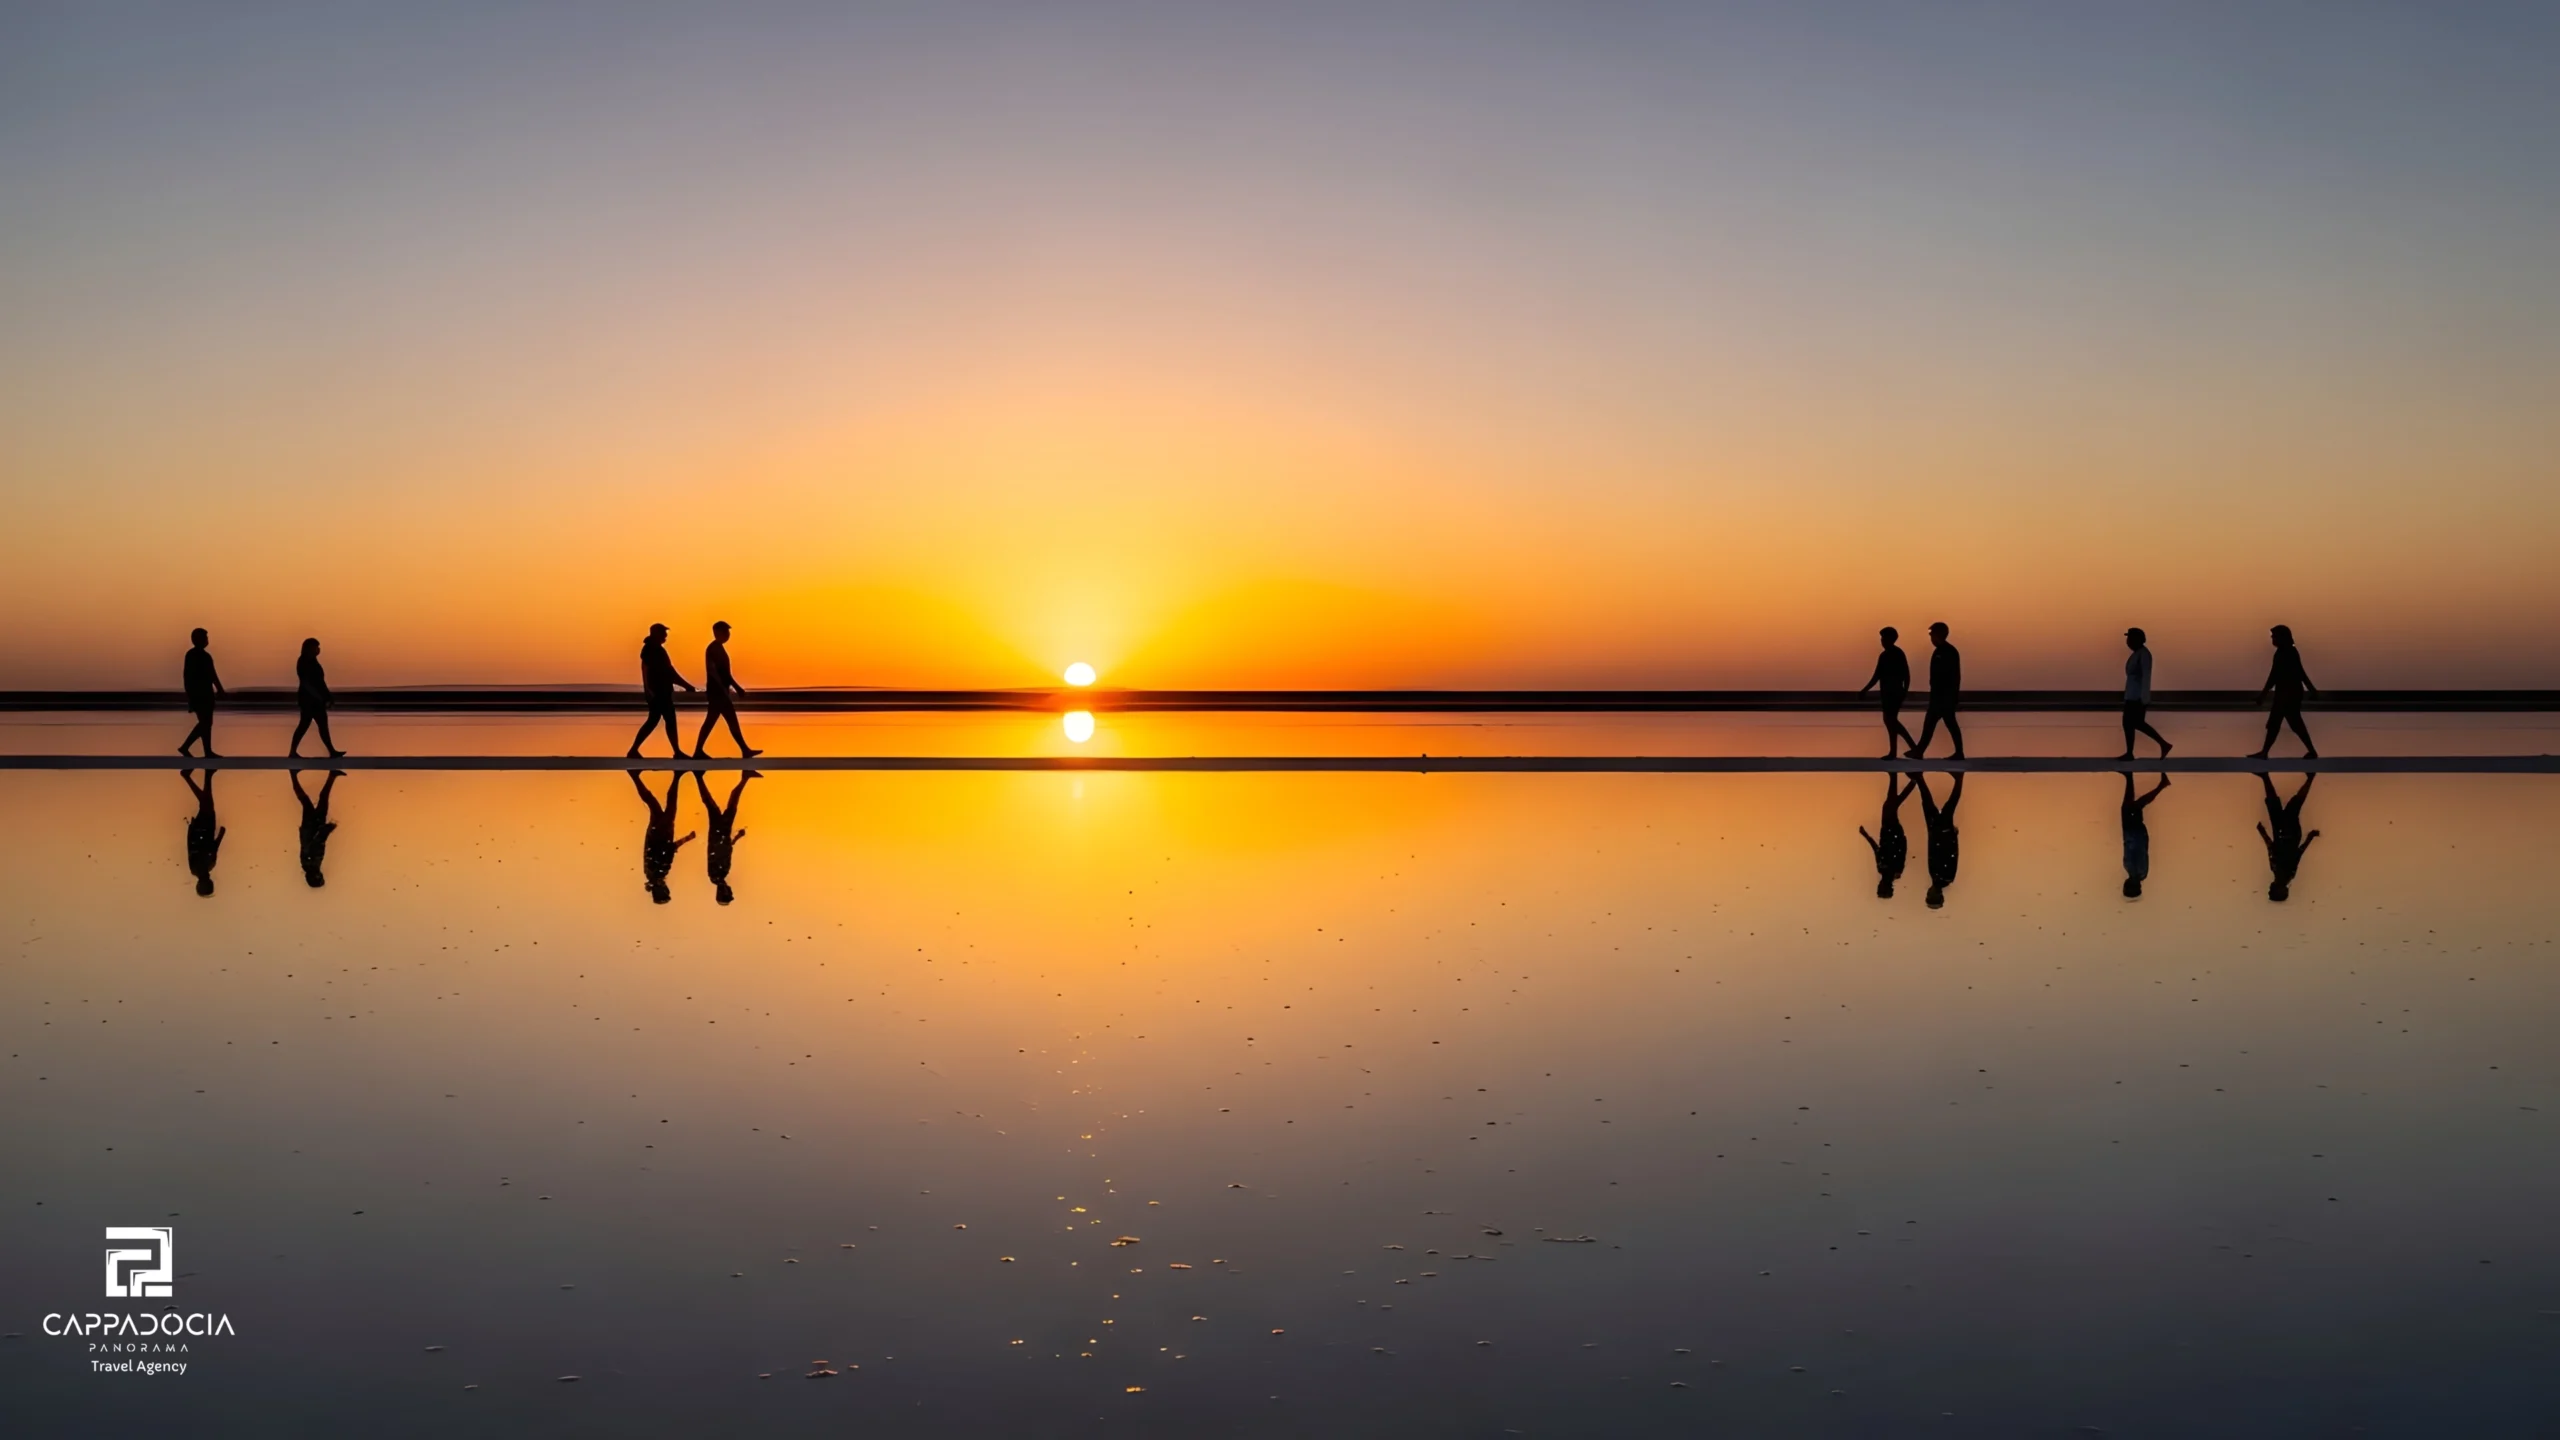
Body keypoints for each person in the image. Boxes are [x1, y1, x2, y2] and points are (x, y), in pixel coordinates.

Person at [692, 621, 762, 759]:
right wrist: (729, 688)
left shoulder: (718, 648)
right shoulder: (714, 648)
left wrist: (733, 687)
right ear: (718, 632)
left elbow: (724, 673)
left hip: (720, 690)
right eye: (726, 632)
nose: (728, 635)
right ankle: (744, 750)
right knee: (723, 719)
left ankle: (743, 749)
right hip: (717, 691)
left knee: (716, 720)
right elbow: (714, 671)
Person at [2252, 624, 2319, 759]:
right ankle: (2265, 752)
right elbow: (2275, 675)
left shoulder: (2289, 652)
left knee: (2286, 722)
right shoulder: (2282, 652)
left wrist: (2263, 694)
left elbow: (2297, 673)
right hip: (2284, 693)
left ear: (2282, 637)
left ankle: (2311, 751)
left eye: (2274, 636)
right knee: (2279, 723)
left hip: (2289, 694)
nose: (2272, 639)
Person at [629, 623, 695, 760]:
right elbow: (667, 671)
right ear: (656, 634)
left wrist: (684, 685)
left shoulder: (652, 649)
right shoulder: (653, 650)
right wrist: (686, 685)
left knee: (655, 720)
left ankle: (634, 750)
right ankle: (676, 752)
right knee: (667, 720)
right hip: (658, 692)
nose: (665, 636)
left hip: (658, 691)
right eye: (663, 633)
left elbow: (664, 671)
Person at [631, 768, 694, 904]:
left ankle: (676, 775)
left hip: (662, 832)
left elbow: (669, 849)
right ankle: (636, 776)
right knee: (653, 803)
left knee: (669, 805)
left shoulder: (659, 872)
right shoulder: (650, 875)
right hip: (655, 832)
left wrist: (688, 838)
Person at [694, 768, 755, 904]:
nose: (730, 890)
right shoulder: (721, 875)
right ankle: (744, 777)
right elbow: (726, 851)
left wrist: (723, 836)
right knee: (725, 804)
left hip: (719, 832)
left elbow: (717, 851)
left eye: (728, 893)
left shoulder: (716, 876)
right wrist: (737, 837)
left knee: (719, 804)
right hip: (722, 833)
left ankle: (698, 776)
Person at [2257, 771, 2320, 902]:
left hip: (2281, 833)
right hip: (2288, 833)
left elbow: (2271, 848)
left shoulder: (2278, 872)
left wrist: (2263, 833)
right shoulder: (2286, 873)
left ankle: (2264, 776)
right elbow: (2297, 853)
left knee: (2275, 804)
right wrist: (2310, 838)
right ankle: (2310, 778)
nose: (2269, 888)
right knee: (2292, 805)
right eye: (2272, 891)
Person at [1857, 627, 1917, 759]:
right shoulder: (1883, 656)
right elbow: (1877, 675)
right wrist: (1865, 689)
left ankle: (1910, 748)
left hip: (1895, 693)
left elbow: (1906, 674)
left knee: (1891, 721)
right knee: (1890, 721)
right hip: (1886, 693)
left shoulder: (1898, 653)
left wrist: (1904, 691)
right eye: (1881, 638)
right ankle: (1897, 751)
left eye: (1884, 638)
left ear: (1891, 639)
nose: (1882, 641)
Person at [1907, 622, 1964, 760]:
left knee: (1936, 723)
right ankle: (1920, 750)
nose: (1931, 639)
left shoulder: (1948, 651)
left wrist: (1952, 694)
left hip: (1944, 696)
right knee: (1937, 723)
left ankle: (1920, 751)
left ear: (1939, 635)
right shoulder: (1940, 651)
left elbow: (1954, 676)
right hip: (1940, 695)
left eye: (1933, 635)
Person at [2118, 627, 2172, 759]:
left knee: (2133, 723)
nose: (2128, 642)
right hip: (2131, 695)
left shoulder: (2144, 654)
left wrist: (2144, 698)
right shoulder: (2136, 654)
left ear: (2137, 640)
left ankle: (2161, 745)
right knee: (2132, 723)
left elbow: (2146, 676)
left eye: (2130, 639)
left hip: (2137, 697)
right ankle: (2161, 745)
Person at [1858, 773, 1913, 898]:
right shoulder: (1895, 870)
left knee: (1890, 805)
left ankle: (1898, 778)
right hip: (1893, 833)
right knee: (1889, 806)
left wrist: (1866, 835)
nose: (1879, 884)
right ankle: (1909, 781)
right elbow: (1902, 850)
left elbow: (1876, 850)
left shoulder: (1882, 869)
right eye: (1881, 887)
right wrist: (1901, 837)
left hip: (1887, 832)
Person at [288, 637, 345, 759]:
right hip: (308, 699)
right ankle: (293, 752)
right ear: (308, 648)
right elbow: (306, 682)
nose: (318, 649)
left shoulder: (314, 661)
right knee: (306, 725)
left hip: (316, 699)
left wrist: (328, 695)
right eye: (315, 647)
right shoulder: (303, 661)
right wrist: (318, 696)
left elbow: (320, 682)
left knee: (319, 724)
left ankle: (331, 751)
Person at [177, 629, 226, 758]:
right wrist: (220, 690)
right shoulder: (196, 656)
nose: (207, 639)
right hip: (200, 695)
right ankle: (187, 746)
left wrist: (219, 690)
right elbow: (210, 676)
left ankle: (206, 751)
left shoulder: (202, 656)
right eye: (205, 637)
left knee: (206, 723)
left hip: (204, 694)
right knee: (205, 723)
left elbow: (211, 675)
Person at [2119, 772, 2168, 899]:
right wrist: (2135, 833)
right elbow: (2138, 850)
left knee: (2131, 806)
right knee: (2134, 806)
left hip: (2133, 833)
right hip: (2133, 832)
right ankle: (2161, 786)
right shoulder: (2136, 870)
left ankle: (2129, 777)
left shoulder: (2139, 873)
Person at [1917, 771, 1962, 908]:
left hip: (1935, 832)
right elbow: (1953, 855)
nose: (1929, 893)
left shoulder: (1935, 876)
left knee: (1928, 804)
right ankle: (1959, 778)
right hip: (1943, 832)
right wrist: (1952, 836)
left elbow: (1933, 852)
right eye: (1931, 895)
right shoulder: (1946, 877)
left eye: (1928, 895)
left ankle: (1919, 778)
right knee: (1949, 805)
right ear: (1938, 895)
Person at [293, 768, 342, 887]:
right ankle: (332, 776)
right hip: (309, 828)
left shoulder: (313, 864)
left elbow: (316, 844)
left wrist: (326, 830)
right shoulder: (307, 865)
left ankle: (293, 775)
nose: (321, 875)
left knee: (310, 800)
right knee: (315, 801)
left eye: (320, 878)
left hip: (312, 826)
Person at [182, 769, 224, 897]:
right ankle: (208, 774)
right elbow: (214, 847)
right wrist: (221, 835)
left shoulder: (199, 868)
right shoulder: (209, 867)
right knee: (207, 802)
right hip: (206, 829)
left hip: (202, 829)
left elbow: (195, 846)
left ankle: (188, 777)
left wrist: (192, 828)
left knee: (206, 803)